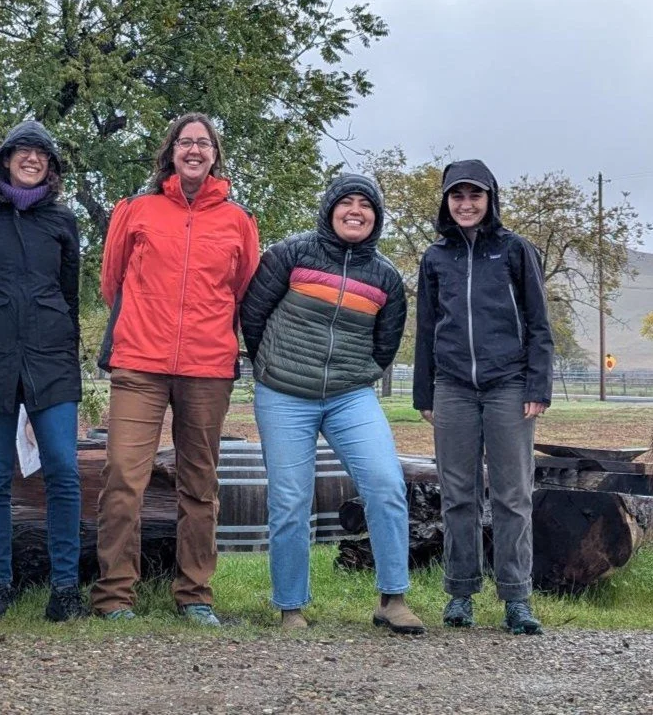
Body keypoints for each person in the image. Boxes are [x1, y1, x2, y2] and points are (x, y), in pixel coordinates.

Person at [91, 112, 260, 626]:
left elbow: (244, 289)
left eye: (203, 143)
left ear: (214, 154)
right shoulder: (136, 210)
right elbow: (111, 281)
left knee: (200, 482)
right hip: (139, 363)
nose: (194, 150)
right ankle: (115, 595)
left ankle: (195, 595)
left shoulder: (237, 220)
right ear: (171, 151)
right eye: (185, 142)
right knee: (123, 475)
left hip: (207, 368)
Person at [240, 173, 424, 634]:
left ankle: (392, 599)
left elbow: (386, 345)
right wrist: (276, 366)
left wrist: (353, 378)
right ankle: (291, 607)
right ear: (330, 208)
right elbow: (253, 316)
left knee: (385, 484)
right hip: (284, 394)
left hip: (349, 397)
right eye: (347, 202)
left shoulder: (385, 277)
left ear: (376, 217)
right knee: (290, 500)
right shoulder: (289, 254)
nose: (356, 210)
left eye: (366, 204)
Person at [413, 159, 553, 635]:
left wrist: (537, 385)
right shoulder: (434, 258)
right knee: (457, 494)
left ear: (490, 199)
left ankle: (517, 599)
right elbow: (427, 330)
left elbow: (538, 323)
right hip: (452, 387)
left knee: (513, 495)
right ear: (446, 202)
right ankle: (460, 593)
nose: (466, 204)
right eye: (457, 196)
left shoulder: (515, 250)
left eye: (474, 196)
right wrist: (424, 393)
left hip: (509, 385)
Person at [0, 121, 85, 622]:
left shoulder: (62, 221)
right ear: (4, 159)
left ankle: (65, 589)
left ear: (51, 167)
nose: (31, 160)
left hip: (51, 361)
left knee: (63, 470)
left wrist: (68, 352)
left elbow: (70, 297)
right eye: (22, 152)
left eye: (41, 155)